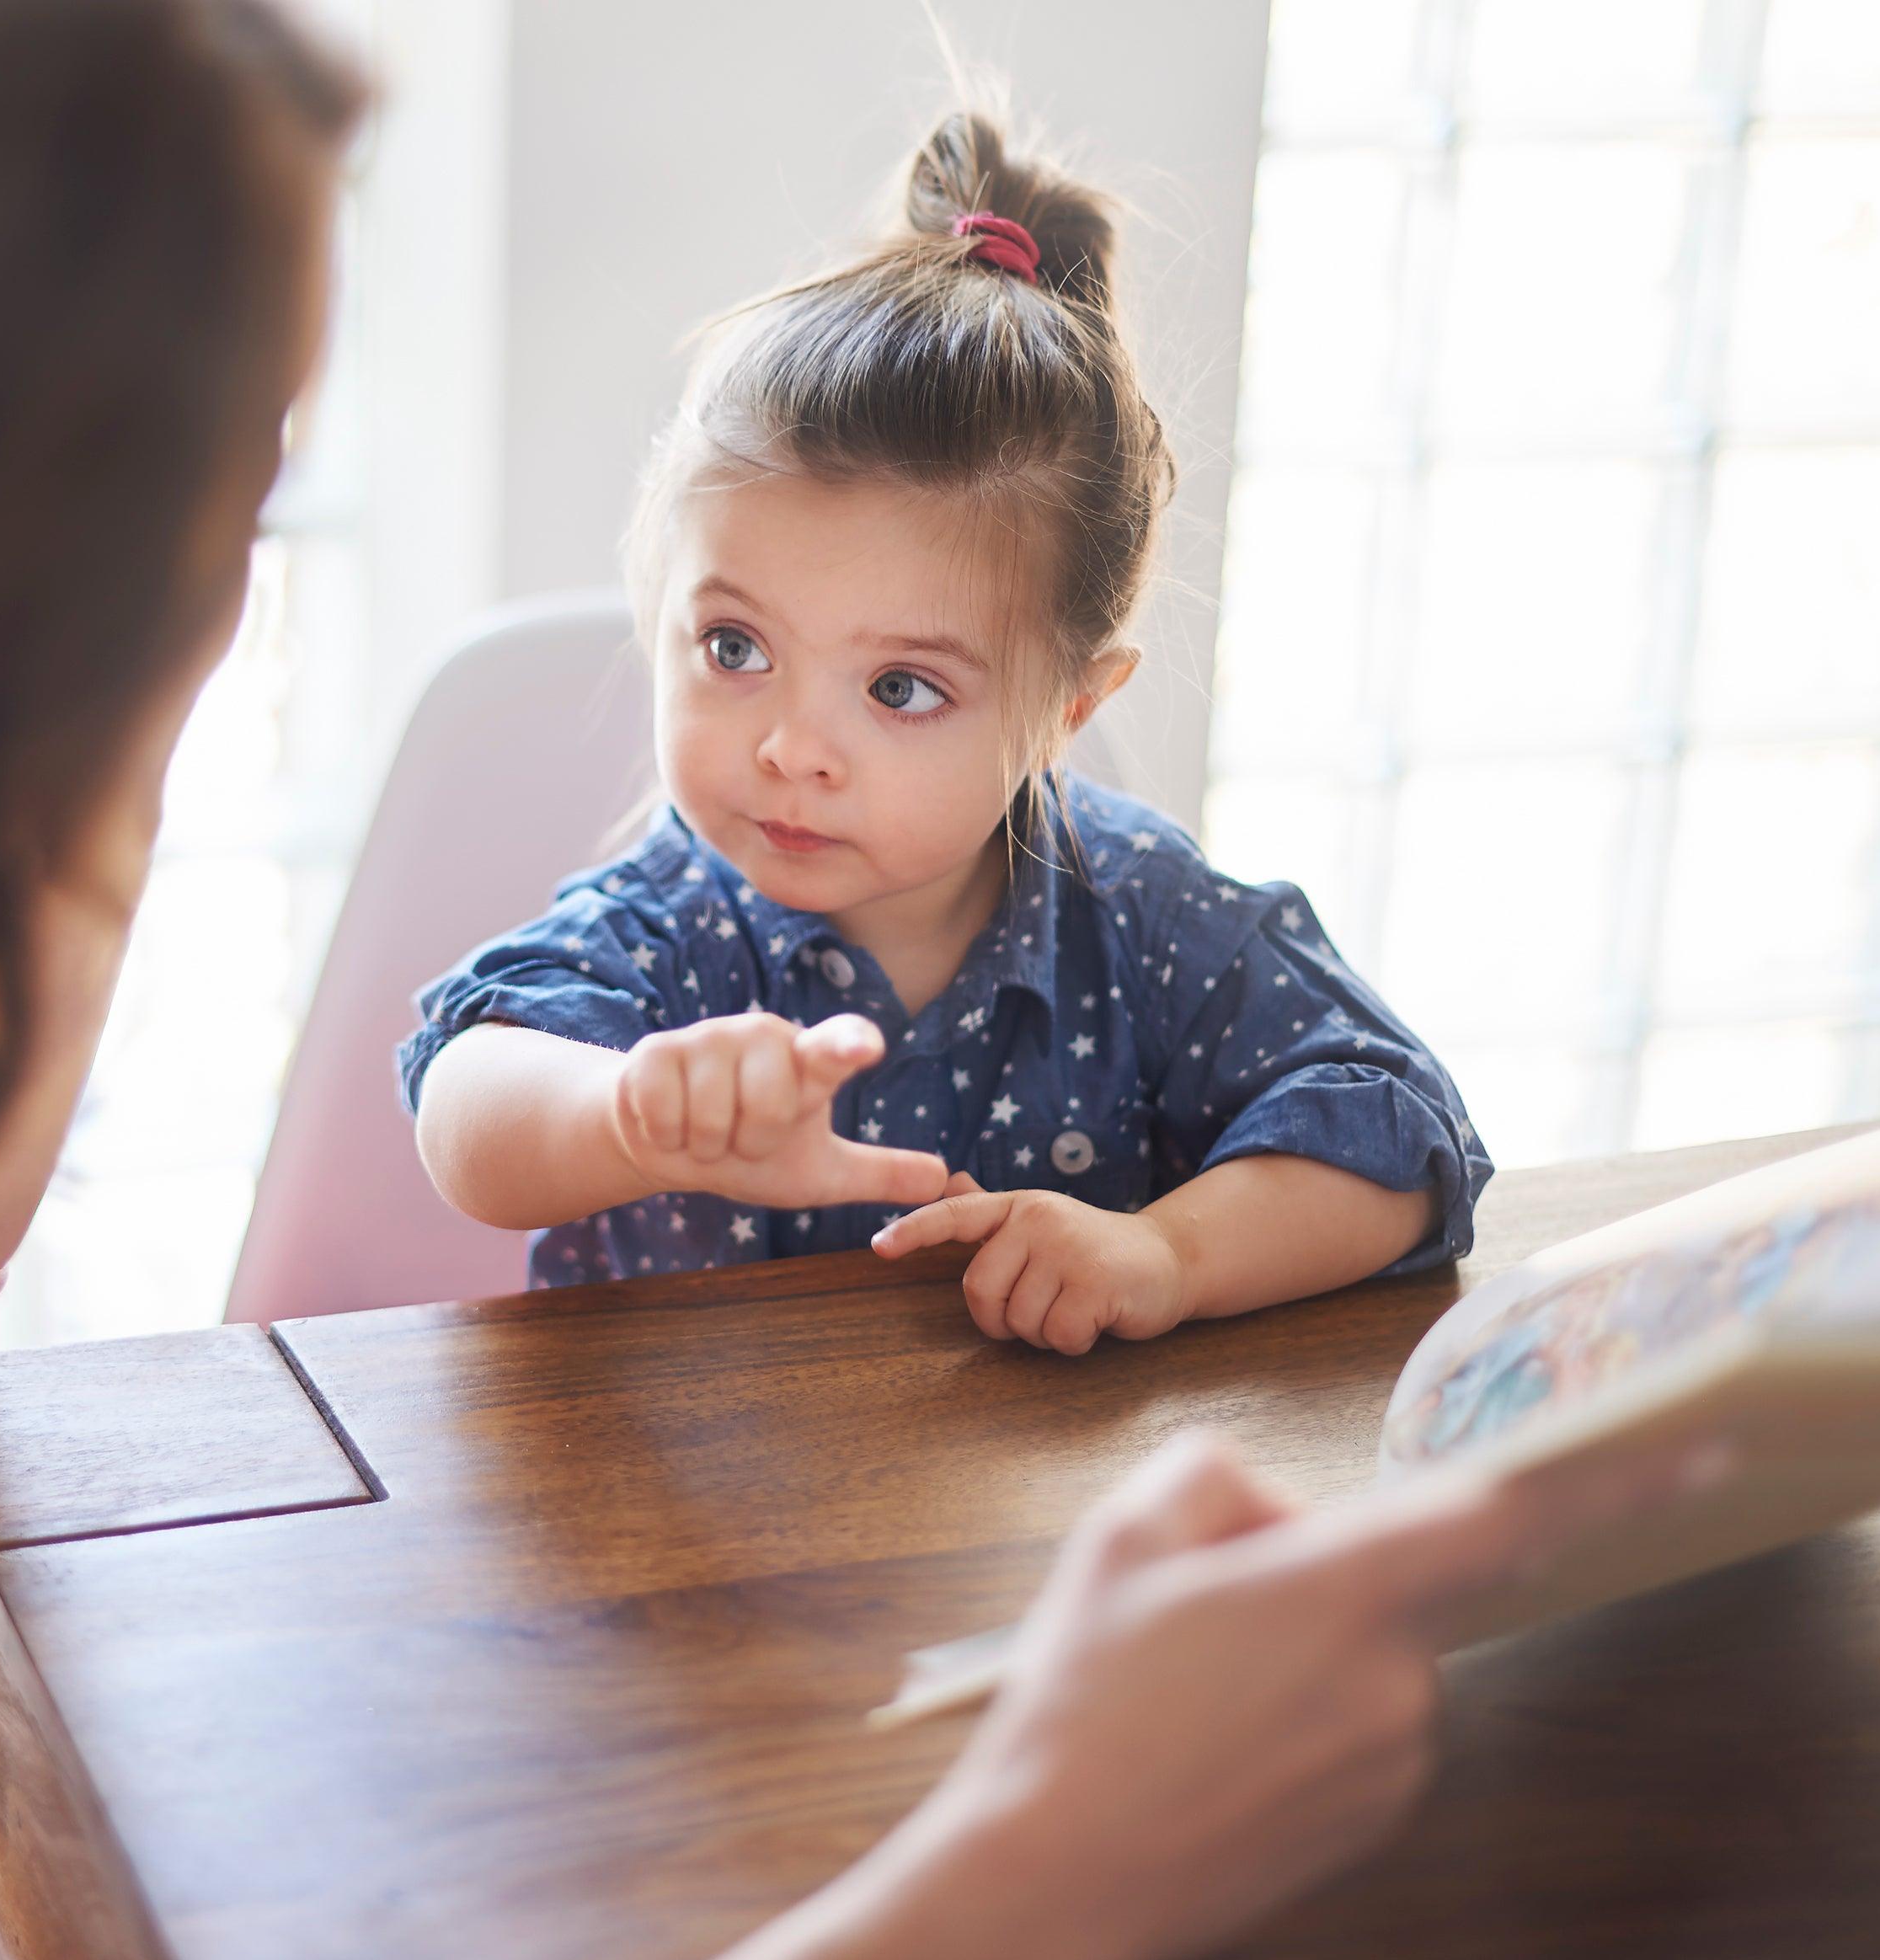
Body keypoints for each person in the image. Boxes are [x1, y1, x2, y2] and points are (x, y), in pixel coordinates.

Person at [0, 6, 1642, 1960]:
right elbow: (467, 1086)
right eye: (192, 532)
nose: (207, 625)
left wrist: (71, 805)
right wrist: (1046, 1864)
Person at [402, 110, 1490, 1354]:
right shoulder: (670, 924)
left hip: (1027, 1531)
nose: (791, 748)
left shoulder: (1143, 918)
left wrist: (1170, 1251)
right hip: (662, 1526)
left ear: (1066, 711)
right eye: (735, 649)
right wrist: (630, 1116)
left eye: (901, 688)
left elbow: (1401, 1134)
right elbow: (464, 1105)